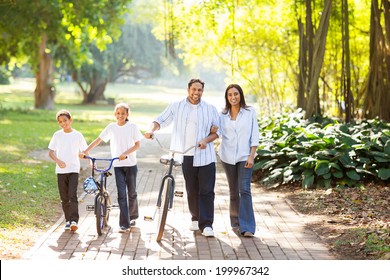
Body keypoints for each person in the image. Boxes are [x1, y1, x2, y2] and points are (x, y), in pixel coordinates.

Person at [144, 78, 220, 237]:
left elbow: (217, 132)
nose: (196, 93)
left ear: (202, 92)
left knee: (206, 191)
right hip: (186, 155)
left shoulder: (210, 109)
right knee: (192, 190)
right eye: (194, 89)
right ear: (188, 90)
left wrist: (206, 140)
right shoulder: (176, 106)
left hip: (205, 156)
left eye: (199, 90)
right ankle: (195, 218)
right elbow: (160, 120)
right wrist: (151, 131)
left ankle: (207, 225)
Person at [83, 103, 142, 233]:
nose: (120, 115)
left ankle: (132, 216)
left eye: (123, 113)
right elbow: (98, 140)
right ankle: (124, 224)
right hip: (117, 165)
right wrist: (85, 151)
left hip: (130, 164)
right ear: (115, 114)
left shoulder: (132, 127)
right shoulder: (111, 127)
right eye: (118, 113)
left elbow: (138, 145)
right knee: (121, 194)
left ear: (127, 115)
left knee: (131, 193)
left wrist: (125, 153)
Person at [218, 84, 259, 237]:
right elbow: (218, 132)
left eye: (235, 94)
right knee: (233, 191)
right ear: (227, 97)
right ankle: (235, 223)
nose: (233, 97)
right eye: (230, 95)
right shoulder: (222, 115)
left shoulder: (249, 112)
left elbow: (255, 134)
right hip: (227, 157)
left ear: (240, 95)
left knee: (245, 190)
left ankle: (247, 227)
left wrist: (251, 156)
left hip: (244, 156)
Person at [48, 109, 88, 232]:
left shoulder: (77, 135)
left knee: (72, 195)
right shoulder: (57, 135)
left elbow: (85, 151)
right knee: (64, 197)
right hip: (61, 171)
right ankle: (68, 220)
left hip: (73, 170)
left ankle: (74, 220)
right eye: (60, 122)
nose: (63, 123)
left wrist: (89, 160)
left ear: (70, 120)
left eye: (65, 120)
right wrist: (58, 161)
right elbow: (51, 152)